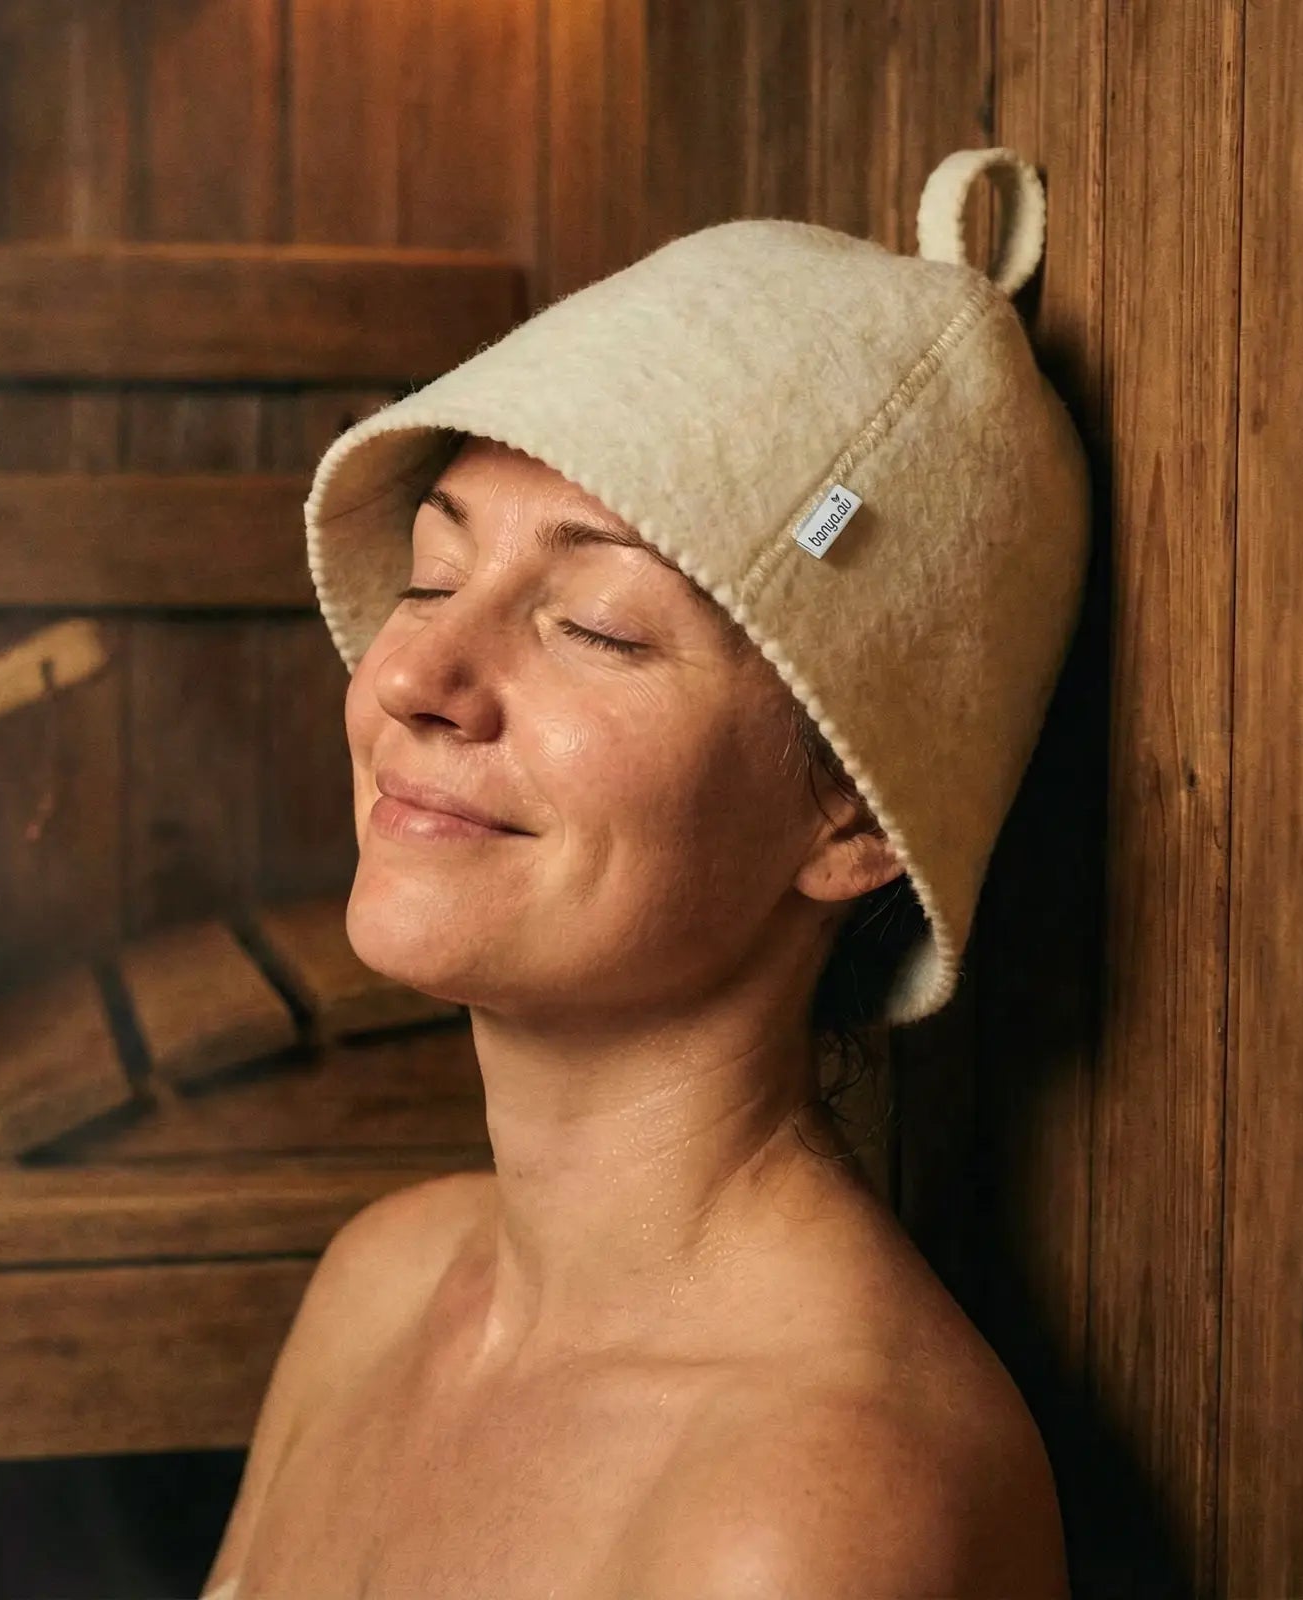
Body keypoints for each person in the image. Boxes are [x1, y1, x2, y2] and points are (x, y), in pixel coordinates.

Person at [207, 148, 1088, 1598]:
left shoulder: (815, 1508)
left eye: (601, 626)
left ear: (853, 817)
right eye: (433, 580)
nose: (413, 673)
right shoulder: (381, 1287)